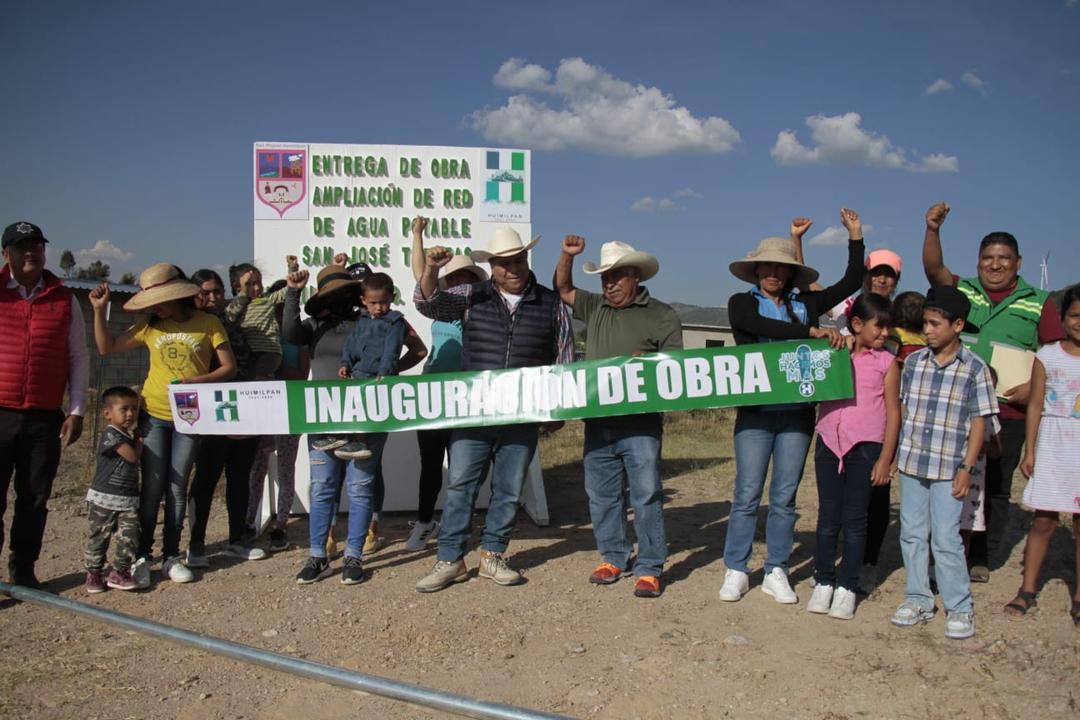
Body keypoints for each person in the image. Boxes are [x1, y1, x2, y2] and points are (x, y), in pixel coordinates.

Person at [413, 227, 575, 593]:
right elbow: (427, 303)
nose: (512, 269)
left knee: (508, 488)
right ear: (493, 266)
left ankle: (493, 555)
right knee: (460, 486)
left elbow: (563, 356)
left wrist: (559, 408)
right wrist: (431, 270)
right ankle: (450, 559)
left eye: (518, 260)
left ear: (526, 259)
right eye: (504, 263)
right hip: (475, 411)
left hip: (523, 414)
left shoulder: (551, 304)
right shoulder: (472, 294)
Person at [720, 208, 864, 604]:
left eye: (781, 269)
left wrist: (855, 236)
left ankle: (776, 569)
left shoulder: (806, 303)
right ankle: (736, 567)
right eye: (767, 267)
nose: (773, 274)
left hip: (797, 415)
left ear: (788, 274)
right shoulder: (740, 303)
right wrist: (810, 332)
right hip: (755, 412)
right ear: (757, 271)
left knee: (784, 496)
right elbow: (762, 328)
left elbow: (853, 281)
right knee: (747, 492)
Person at [922, 201, 1064, 581]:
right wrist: (933, 229)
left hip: (1010, 411)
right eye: (988, 258)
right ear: (978, 261)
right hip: (959, 409)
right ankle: (948, 550)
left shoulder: (1040, 301)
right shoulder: (963, 291)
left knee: (997, 487)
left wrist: (1033, 389)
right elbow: (934, 270)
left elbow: (1055, 355)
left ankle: (982, 557)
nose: (995, 265)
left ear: (1018, 262)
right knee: (953, 479)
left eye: (1004, 258)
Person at [90, 263, 237, 585]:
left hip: (189, 416)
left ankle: (171, 556)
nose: (155, 305)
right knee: (153, 487)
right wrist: (99, 311)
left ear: (177, 296)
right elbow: (106, 347)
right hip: (153, 416)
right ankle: (142, 555)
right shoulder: (149, 325)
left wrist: (193, 381)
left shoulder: (208, 322)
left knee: (176, 486)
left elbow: (228, 367)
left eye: (160, 298)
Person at [282, 255, 424, 585]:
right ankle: (318, 557)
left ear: (355, 292)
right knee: (322, 489)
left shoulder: (381, 320)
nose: (338, 298)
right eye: (330, 293)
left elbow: (417, 349)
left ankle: (353, 557)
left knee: (360, 488)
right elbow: (289, 333)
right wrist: (292, 293)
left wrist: (390, 374)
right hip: (323, 418)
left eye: (344, 291)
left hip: (369, 416)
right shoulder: (315, 325)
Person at [554, 236, 682, 598]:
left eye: (615, 277)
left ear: (635, 277)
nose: (608, 285)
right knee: (602, 494)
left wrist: (652, 363)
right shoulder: (594, 306)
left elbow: (678, 370)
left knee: (646, 494)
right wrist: (567, 255)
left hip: (641, 423)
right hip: (598, 423)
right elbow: (562, 287)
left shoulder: (662, 315)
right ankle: (613, 556)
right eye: (603, 279)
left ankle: (650, 566)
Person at [890, 286, 998, 640]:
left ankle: (959, 606)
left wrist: (967, 468)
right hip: (913, 463)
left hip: (950, 467)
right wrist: (897, 454)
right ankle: (918, 598)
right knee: (912, 533)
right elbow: (905, 409)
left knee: (947, 538)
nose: (929, 330)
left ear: (958, 325)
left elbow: (980, 422)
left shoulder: (974, 369)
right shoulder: (915, 363)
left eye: (936, 323)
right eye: (925, 323)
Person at [1, 221, 88, 588]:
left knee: (35, 498)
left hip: (43, 417)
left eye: (37, 246)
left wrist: (77, 409)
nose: (31, 252)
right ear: (7, 254)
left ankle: (23, 570)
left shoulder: (63, 298)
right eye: (22, 246)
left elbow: (78, 356)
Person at [807, 294, 899, 619]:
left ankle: (847, 585)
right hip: (829, 442)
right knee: (828, 518)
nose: (885, 333)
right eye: (880, 326)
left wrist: (886, 458)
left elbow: (893, 411)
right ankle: (823, 580)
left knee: (856, 520)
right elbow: (806, 338)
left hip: (866, 448)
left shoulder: (887, 363)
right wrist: (821, 334)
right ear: (857, 324)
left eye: (889, 327)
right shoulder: (834, 352)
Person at [406, 217, 488, 551]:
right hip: (432, 393)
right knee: (430, 466)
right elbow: (419, 274)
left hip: (467, 395)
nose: (459, 282)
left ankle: (460, 526)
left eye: (465, 277)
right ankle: (426, 522)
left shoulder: (481, 309)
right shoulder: (439, 304)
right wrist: (417, 235)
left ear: (474, 281)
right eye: (453, 276)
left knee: (461, 469)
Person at [1005, 285, 1080, 626]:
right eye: (1075, 315)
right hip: (1052, 442)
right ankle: (1028, 588)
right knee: (1044, 521)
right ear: (1063, 319)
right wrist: (1030, 450)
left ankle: (1078, 596)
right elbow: (1035, 404)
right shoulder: (1047, 355)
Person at [185, 266, 267, 568]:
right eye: (204, 293)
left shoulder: (233, 324)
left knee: (239, 476)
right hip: (209, 412)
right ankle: (195, 546)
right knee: (205, 478)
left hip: (243, 408)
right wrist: (246, 292)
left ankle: (237, 541)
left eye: (216, 291)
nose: (211, 298)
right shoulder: (195, 326)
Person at [309, 273, 407, 460]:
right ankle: (339, 436)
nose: (379, 307)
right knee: (348, 405)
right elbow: (351, 344)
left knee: (365, 409)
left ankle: (360, 442)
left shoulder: (395, 321)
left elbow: (392, 350)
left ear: (392, 298)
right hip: (357, 372)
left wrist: (385, 372)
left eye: (384, 302)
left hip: (376, 377)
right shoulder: (362, 320)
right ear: (363, 300)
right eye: (373, 303)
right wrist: (345, 363)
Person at [245, 278, 309, 552]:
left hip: (291, 409)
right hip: (261, 410)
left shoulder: (299, 337)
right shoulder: (258, 334)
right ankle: (249, 523)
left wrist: (272, 372)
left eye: (288, 306)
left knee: (285, 468)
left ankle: (281, 525)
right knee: (257, 468)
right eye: (279, 305)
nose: (282, 311)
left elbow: (300, 376)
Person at [790, 215, 903, 332]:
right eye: (876, 273)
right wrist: (796, 238)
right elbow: (806, 284)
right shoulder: (846, 307)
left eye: (889, 275)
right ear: (864, 275)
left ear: (897, 280)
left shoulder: (902, 316)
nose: (882, 280)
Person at [83, 386, 143, 593]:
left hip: (127, 498)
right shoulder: (111, 435)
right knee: (100, 536)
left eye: (134, 409)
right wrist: (140, 442)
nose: (130, 414)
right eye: (124, 409)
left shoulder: (125, 434)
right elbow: (132, 457)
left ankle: (120, 571)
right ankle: (94, 572)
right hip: (104, 498)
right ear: (107, 413)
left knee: (129, 535)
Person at [224, 261, 292, 380]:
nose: (257, 287)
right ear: (237, 286)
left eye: (259, 282)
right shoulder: (236, 304)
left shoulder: (268, 298)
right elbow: (229, 316)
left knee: (260, 378)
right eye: (250, 284)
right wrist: (244, 295)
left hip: (269, 351)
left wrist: (292, 269)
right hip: (247, 353)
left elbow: (290, 288)